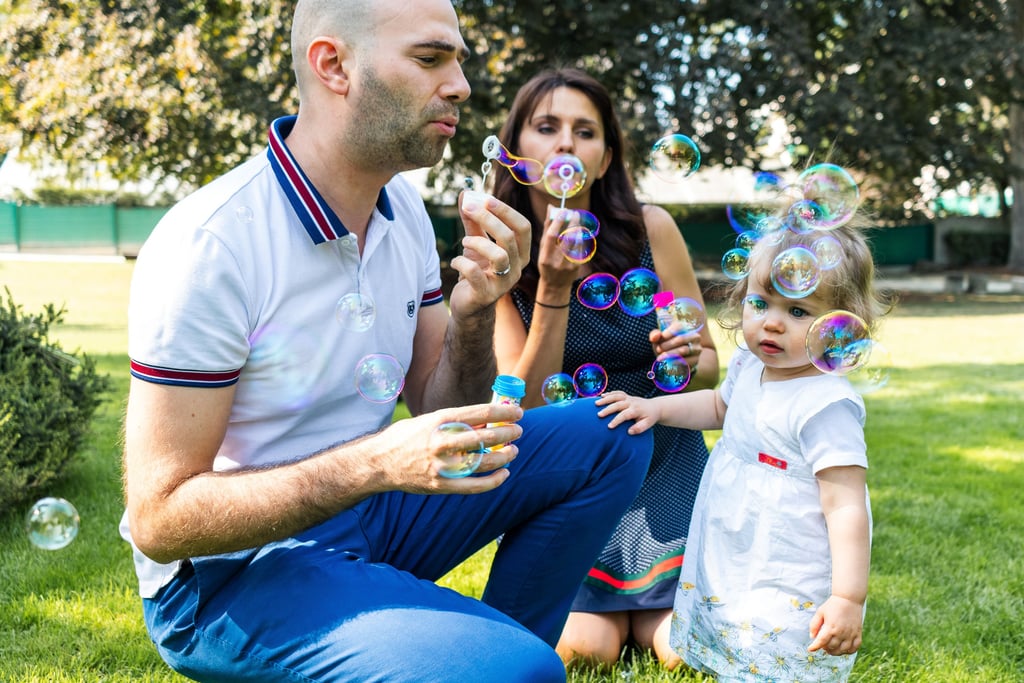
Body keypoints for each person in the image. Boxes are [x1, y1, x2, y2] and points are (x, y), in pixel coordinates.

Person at [119, 3, 654, 682]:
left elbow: (443, 403)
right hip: (231, 576)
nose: (461, 85)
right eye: (432, 59)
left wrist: (470, 316)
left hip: (366, 517)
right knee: (522, 670)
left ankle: (495, 655)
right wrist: (371, 463)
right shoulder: (213, 243)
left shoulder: (400, 214)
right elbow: (160, 518)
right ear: (334, 65)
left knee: (612, 435)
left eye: (458, 60)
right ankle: (501, 664)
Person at [489, 68, 720, 668]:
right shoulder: (499, 257)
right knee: (585, 648)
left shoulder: (651, 230)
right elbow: (529, 404)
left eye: (584, 131)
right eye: (547, 127)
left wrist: (688, 357)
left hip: (668, 457)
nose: (566, 143)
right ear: (516, 151)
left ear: (605, 155)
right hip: (575, 475)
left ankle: (661, 606)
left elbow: (712, 368)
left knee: (679, 651)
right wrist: (554, 289)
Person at [596, 221, 890, 681]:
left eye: (797, 310)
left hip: (789, 555)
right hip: (738, 537)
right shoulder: (752, 364)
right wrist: (654, 408)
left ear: (840, 327)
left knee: (780, 641)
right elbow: (719, 404)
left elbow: (846, 506)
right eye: (760, 303)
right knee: (738, 627)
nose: (770, 322)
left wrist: (847, 598)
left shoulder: (826, 405)